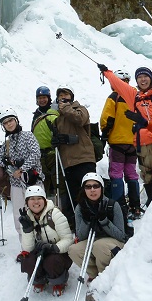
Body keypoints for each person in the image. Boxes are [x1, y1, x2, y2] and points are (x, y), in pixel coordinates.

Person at [97, 65, 152, 213]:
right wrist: (107, 73)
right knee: (148, 174)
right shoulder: (134, 97)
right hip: (143, 140)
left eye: (145, 76)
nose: (143, 79)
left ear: (151, 78)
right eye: (139, 77)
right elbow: (120, 85)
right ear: (136, 81)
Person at [51, 85, 98, 227]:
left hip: (84, 158)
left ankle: (96, 220)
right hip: (69, 162)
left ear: (71, 96)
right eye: (60, 96)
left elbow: (79, 120)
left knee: (90, 192)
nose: (63, 98)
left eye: (65, 95)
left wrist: (65, 108)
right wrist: (57, 141)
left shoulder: (80, 109)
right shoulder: (58, 119)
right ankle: (80, 225)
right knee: (75, 196)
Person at [0, 108, 43, 240]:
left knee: (39, 211)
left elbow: (36, 153)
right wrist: (7, 163)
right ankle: (25, 245)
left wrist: (22, 168)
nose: (9, 124)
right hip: (15, 183)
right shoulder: (7, 143)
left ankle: (42, 242)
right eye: (5, 123)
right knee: (19, 214)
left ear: (16, 120)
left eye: (11, 120)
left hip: (33, 181)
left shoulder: (27, 135)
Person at [68, 173, 127, 281]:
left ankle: (105, 275)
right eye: (88, 187)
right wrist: (86, 221)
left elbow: (121, 236)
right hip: (93, 240)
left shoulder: (112, 205)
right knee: (74, 250)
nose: (92, 190)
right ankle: (94, 275)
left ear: (101, 188)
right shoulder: (80, 208)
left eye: (96, 186)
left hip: (112, 242)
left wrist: (104, 221)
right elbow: (80, 237)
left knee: (99, 245)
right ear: (84, 190)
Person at [17, 184, 74, 297]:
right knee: (28, 260)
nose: (36, 202)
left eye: (39, 198)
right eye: (32, 199)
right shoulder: (27, 218)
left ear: (44, 200)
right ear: (27, 202)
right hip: (40, 252)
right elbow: (28, 249)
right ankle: (39, 280)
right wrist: (27, 230)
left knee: (51, 262)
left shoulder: (55, 214)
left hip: (58, 252)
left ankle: (59, 281)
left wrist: (54, 247)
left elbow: (68, 239)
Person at [99, 70, 141, 214]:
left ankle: (119, 206)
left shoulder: (114, 97)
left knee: (116, 173)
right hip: (134, 142)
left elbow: (106, 119)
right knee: (131, 173)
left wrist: (104, 133)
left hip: (117, 143)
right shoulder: (136, 96)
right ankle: (135, 205)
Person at [31, 86, 59, 198]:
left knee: (57, 182)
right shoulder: (36, 115)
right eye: (40, 98)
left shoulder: (53, 112)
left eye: (44, 97)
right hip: (41, 156)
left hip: (53, 153)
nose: (42, 100)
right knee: (45, 183)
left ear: (49, 98)